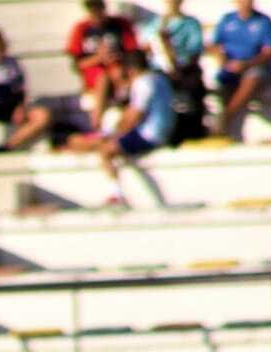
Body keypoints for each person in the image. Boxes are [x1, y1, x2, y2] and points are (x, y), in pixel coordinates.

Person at [68, 50, 174, 206]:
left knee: (105, 151)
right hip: (164, 132)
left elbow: (134, 116)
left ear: (130, 69)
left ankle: (117, 195)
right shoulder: (161, 79)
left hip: (150, 135)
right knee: (96, 142)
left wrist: (113, 135)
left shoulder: (143, 82)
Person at [208, 0, 271, 140]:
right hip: (230, 66)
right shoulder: (227, 20)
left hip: (254, 66)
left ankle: (225, 118)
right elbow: (213, 45)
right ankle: (217, 127)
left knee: (253, 76)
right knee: (220, 81)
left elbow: (269, 52)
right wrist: (222, 58)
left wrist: (246, 64)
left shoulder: (263, 21)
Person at [67, 0, 141, 129]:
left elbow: (133, 52)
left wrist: (119, 58)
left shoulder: (120, 25)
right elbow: (77, 65)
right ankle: (96, 123)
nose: (96, 13)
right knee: (104, 77)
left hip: (120, 69)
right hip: (95, 73)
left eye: (98, 8)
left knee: (119, 73)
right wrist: (98, 58)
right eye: (92, 9)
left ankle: (129, 121)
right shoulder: (82, 29)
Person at [146, 0, 209, 144]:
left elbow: (195, 52)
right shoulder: (156, 23)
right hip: (160, 71)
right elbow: (149, 47)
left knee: (193, 87)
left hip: (185, 69)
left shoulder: (191, 23)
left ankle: (194, 128)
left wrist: (175, 60)